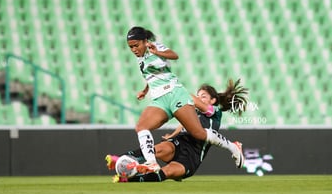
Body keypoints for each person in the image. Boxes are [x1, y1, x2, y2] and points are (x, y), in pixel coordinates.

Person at [126, 26, 246, 173]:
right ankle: (152, 163)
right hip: (159, 99)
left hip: (175, 93)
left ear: (145, 41)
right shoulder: (140, 59)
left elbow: (174, 55)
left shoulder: (155, 47)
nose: (133, 50)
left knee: (199, 133)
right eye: (131, 47)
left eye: (136, 45)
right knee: (141, 127)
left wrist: (156, 51)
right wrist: (145, 91)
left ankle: (233, 147)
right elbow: (151, 76)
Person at [106, 78, 248, 182]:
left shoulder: (215, 112)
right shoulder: (192, 111)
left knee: (166, 172)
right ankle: (122, 159)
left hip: (193, 154)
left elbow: (192, 101)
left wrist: (175, 86)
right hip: (180, 141)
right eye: (198, 95)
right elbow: (184, 124)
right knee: (158, 149)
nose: (199, 98)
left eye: (203, 96)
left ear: (213, 101)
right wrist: (172, 135)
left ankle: (129, 179)